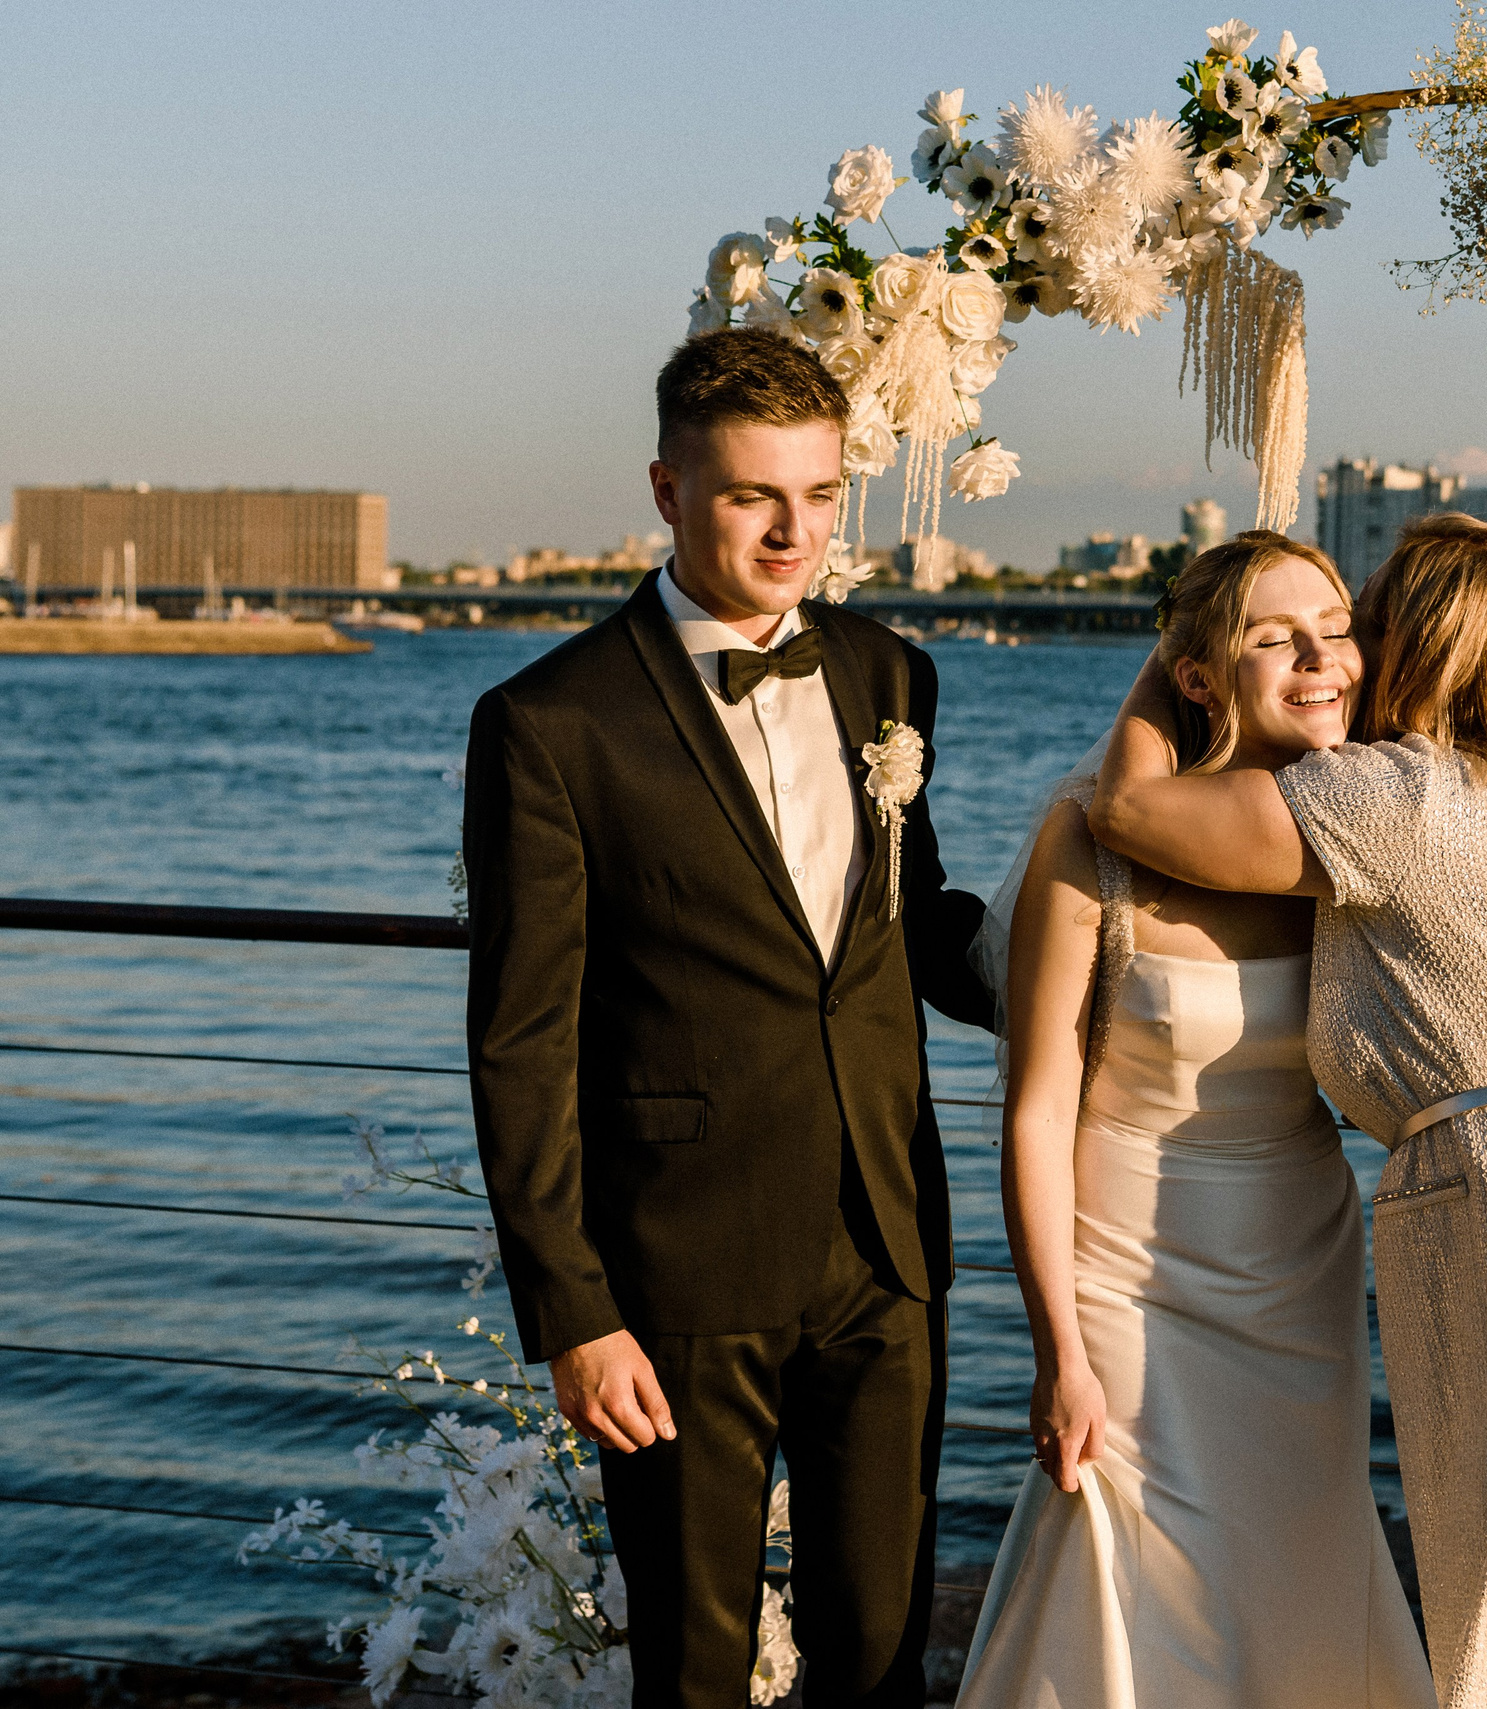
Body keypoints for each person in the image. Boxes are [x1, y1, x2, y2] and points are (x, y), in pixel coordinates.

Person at [1087, 514, 1487, 1709]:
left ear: (1420, 644)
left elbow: (1128, 813)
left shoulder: (1390, 797)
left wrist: (1183, 641)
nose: (1344, 652)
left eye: (1364, 624)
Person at [463, 326, 992, 1707]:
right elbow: (522, 1039)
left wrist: (1100, 983)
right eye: (757, 495)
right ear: (668, 491)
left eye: (819, 497)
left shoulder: (890, 678)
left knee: (881, 1657)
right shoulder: (549, 722)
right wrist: (574, 1310)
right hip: (678, 1275)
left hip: (887, 1246)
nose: (792, 531)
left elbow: (911, 915)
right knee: (692, 1672)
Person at [954, 533, 1436, 1708]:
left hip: (1296, 1248)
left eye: (1336, 628)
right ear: (1199, 675)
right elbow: (1037, 1108)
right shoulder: (1095, 838)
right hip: (1124, 1261)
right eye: (1276, 637)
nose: (1322, 659)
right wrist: (1055, 1346)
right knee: (1125, 1544)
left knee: (1291, 1541)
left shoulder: (1356, 830)